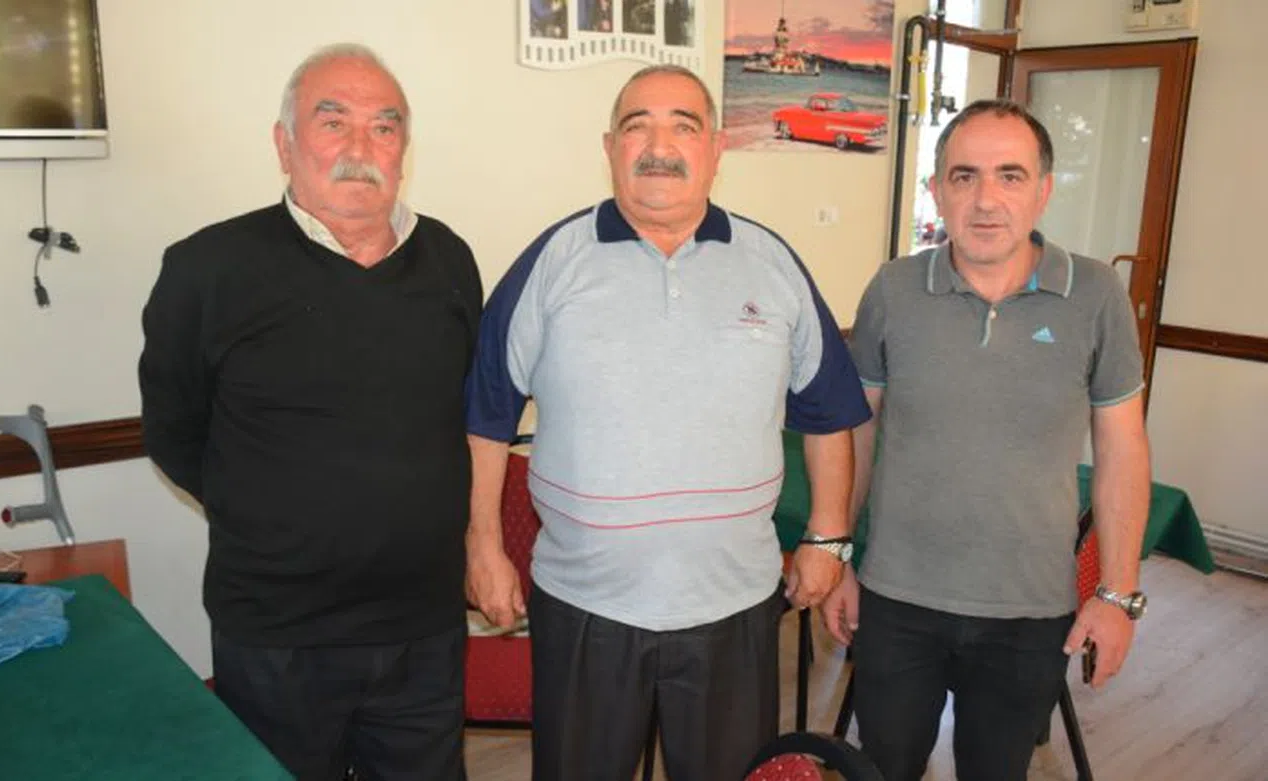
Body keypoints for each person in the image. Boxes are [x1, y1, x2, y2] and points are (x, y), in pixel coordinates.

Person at [463, 64, 871, 781]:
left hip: (734, 610)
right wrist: (483, 547)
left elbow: (827, 409)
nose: (659, 146)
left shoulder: (772, 263)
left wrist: (827, 535)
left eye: (683, 126)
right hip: (585, 607)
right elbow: (487, 415)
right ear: (609, 147)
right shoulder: (553, 261)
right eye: (637, 127)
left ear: (715, 148)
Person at [138, 44, 481, 781]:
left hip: (422, 625)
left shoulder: (449, 259)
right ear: (284, 144)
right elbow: (173, 430)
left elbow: (456, 411)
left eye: (384, 127)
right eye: (333, 122)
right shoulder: (208, 269)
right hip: (277, 634)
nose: (361, 147)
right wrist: (271, 517)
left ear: (404, 149)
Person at [822, 99, 1152, 781]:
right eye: (964, 176)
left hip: (1029, 612)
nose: (986, 199)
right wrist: (840, 558)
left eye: (1010, 175)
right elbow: (859, 431)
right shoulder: (893, 288)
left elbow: (1122, 451)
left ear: (1043, 190)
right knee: (882, 770)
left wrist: (1118, 594)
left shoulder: (1095, 295)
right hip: (897, 601)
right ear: (937, 189)